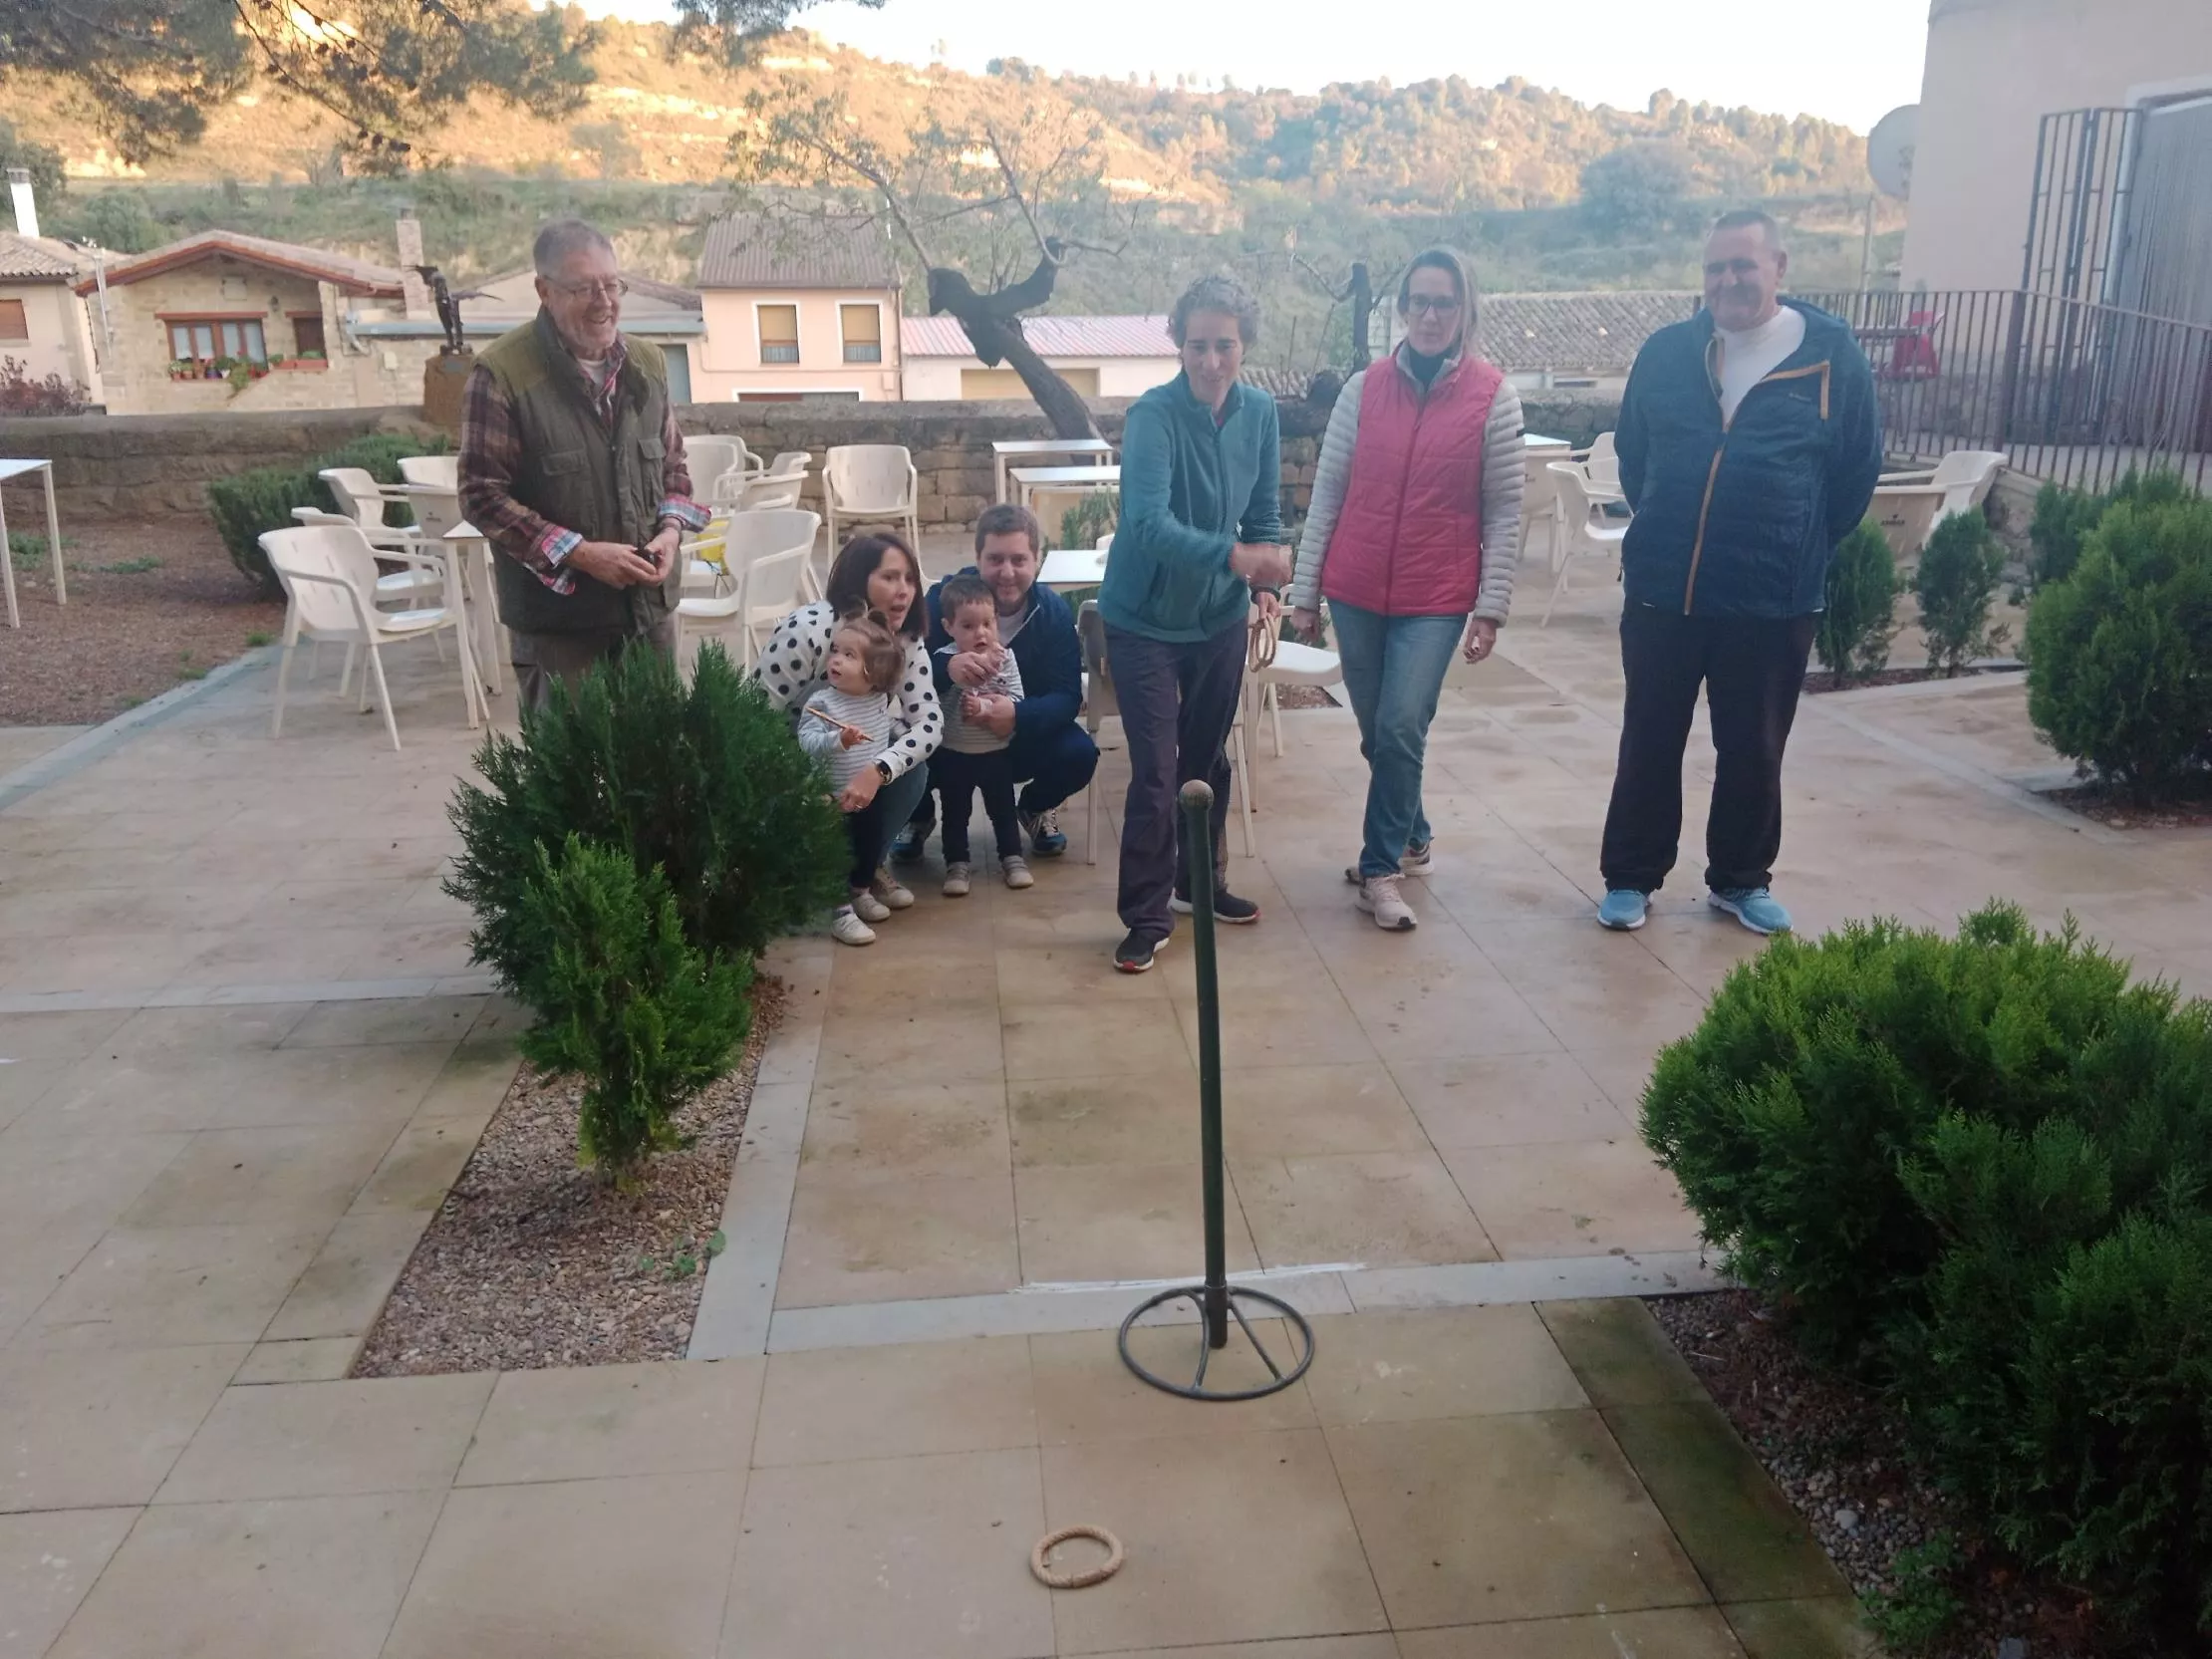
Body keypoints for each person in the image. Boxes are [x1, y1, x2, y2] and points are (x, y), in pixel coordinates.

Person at [1598, 208, 1882, 937]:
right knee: (1649, 737)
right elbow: (1636, 457)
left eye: (1744, 265)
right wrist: (1666, 521)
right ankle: (1630, 876)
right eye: (1716, 267)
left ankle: (1740, 879)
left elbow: (1854, 474)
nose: (1729, 280)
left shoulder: (1830, 355)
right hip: (1666, 588)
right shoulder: (1666, 352)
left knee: (1753, 746)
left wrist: (1793, 544)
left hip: (1771, 598)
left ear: (1779, 268)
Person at [1288, 247, 1526, 933]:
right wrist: (1306, 590)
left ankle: (1381, 869)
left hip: (1438, 594)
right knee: (1380, 734)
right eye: (1418, 301)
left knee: (1399, 724)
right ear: (1403, 310)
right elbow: (1328, 490)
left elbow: (1505, 509)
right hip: (1356, 587)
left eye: (1442, 303)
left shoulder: (1492, 396)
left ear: (1463, 311)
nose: (1429, 315)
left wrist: (1491, 606)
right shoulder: (1365, 388)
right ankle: (1413, 832)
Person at [1097, 275, 1292, 973]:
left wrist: (1262, 583)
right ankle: (1146, 915)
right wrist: (1235, 555)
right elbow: (1147, 525)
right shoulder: (1154, 415)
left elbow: (1264, 510)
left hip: (1216, 616)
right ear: (1179, 343)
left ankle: (1198, 883)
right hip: (1144, 617)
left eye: (1225, 345)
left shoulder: (1262, 412)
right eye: (1198, 344)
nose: (1211, 360)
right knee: (1156, 772)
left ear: (1245, 346)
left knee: (1206, 761)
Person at [459, 218, 708, 711]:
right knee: (570, 779)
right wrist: (581, 554)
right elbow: (480, 494)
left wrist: (671, 533)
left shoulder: (647, 365)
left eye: (611, 284)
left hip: (648, 616)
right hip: (558, 630)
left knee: (651, 771)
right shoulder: (502, 374)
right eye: (583, 287)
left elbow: (674, 468)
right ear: (544, 291)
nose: (604, 300)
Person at [753, 532, 943, 925]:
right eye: (890, 577)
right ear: (858, 579)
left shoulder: (905, 639)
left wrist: (878, 770)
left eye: (910, 579)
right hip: (791, 754)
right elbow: (752, 716)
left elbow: (929, 721)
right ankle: (818, 879)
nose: (903, 591)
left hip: (853, 756)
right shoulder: (809, 628)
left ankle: (864, 868)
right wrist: (797, 780)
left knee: (912, 769)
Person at [896, 503, 1097, 865]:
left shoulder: (1052, 613)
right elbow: (904, 671)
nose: (1007, 572)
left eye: (1019, 560)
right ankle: (917, 814)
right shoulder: (942, 599)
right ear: (978, 557)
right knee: (894, 740)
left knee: (1079, 753)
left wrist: (1019, 714)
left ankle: (1035, 807)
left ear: (1037, 560)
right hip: (948, 740)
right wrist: (946, 666)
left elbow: (1067, 695)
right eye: (996, 559)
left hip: (1014, 742)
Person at [798, 616, 909, 946]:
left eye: (849, 655)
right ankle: (840, 911)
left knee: (868, 847)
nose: (835, 660)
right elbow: (807, 743)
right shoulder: (821, 703)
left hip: (866, 798)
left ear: (873, 673)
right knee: (835, 855)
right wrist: (838, 741)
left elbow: (884, 735)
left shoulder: (877, 701)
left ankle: (860, 892)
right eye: (835, 651)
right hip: (829, 798)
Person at [930, 573, 1032, 898]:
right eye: (969, 626)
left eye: (987, 623)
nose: (981, 633)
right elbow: (933, 699)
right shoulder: (944, 660)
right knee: (955, 813)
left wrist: (988, 709)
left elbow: (1018, 700)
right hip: (953, 752)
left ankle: (1012, 858)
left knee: (1002, 809)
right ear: (949, 627)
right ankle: (957, 864)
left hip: (995, 752)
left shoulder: (1007, 658)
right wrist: (957, 684)